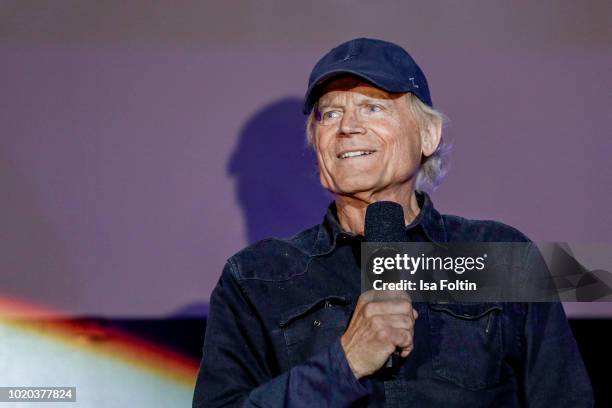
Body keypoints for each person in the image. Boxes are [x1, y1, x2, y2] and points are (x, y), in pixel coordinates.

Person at [193, 38, 593, 407]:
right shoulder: (257, 278)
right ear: (316, 146)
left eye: (373, 106)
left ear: (428, 134)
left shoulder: (501, 257)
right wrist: (343, 363)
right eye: (329, 113)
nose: (347, 127)